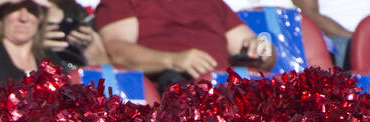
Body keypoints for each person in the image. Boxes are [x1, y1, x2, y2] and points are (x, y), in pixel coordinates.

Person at [95, 0, 276, 89]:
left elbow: (262, 55)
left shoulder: (212, 3)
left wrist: (262, 49)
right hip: (170, 90)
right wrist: (172, 60)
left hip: (224, 91)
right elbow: (117, 49)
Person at [0, 0, 104, 86]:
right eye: (15, 8)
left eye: (32, 10)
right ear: (1, 13)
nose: (23, 17)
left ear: (41, 18)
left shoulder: (49, 61)